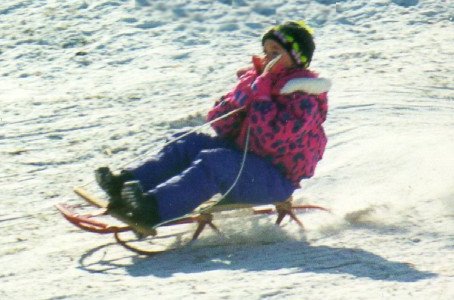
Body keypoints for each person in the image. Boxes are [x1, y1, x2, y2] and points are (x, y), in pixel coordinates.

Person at [95, 21, 330, 227]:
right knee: (187, 142)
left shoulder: (303, 98)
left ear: (297, 59)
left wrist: (262, 97)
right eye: (266, 51)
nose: (268, 57)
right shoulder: (259, 82)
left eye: (276, 51)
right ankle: (125, 185)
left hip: (274, 178)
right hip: (245, 158)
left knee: (215, 163)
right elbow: (220, 125)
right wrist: (244, 94)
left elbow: (268, 141)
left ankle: (153, 209)